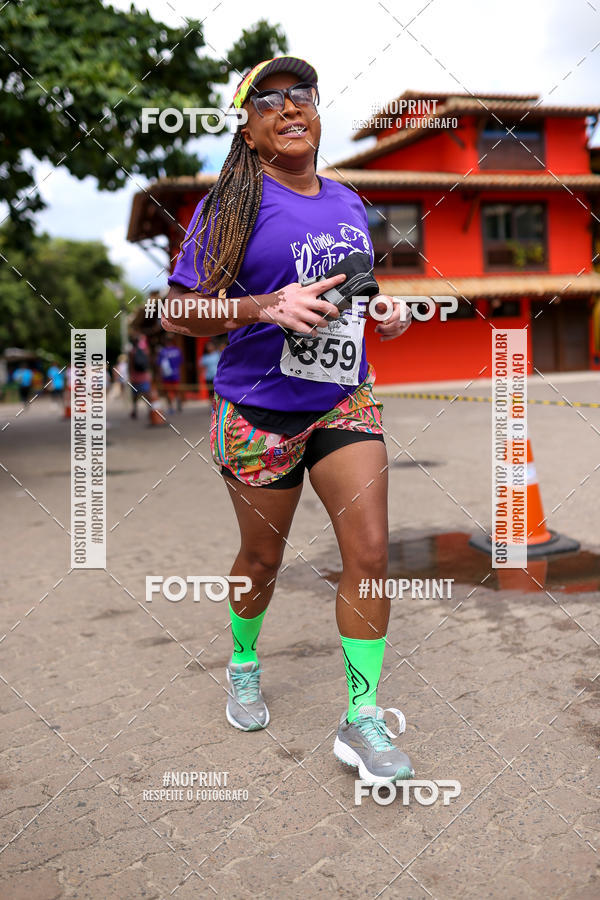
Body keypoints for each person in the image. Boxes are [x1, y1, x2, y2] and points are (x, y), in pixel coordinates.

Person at [163, 56, 414, 786]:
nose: (289, 107)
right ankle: (244, 662)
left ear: (316, 106)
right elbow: (179, 313)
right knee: (262, 563)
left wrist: (385, 315)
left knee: (369, 554)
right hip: (258, 412)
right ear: (248, 127)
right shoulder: (232, 207)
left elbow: (357, 292)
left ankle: (361, 719)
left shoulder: (346, 200)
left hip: (343, 399)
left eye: (299, 93)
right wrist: (259, 306)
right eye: (267, 100)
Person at [157, 333, 183, 413]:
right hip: (176, 374)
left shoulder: (163, 351)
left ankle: (171, 407)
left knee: (168, 391)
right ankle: (178, 403)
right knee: (177, 390)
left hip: (166, 375)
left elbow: (160, 365)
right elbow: (180, 363)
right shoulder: (177, 350)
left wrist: (159, 376)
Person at [128, 336, 151, 419]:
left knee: (135, 395)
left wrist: (130, 375)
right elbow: (148, 363)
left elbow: (130, 365)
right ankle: (149, 410)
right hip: (144, 376)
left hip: (135, 376)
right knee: (147, 394)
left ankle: (135, 411)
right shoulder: (145, 351)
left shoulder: (131, 352)